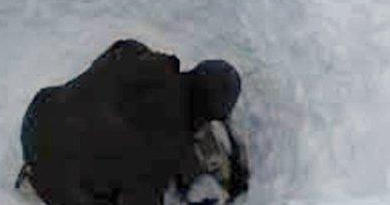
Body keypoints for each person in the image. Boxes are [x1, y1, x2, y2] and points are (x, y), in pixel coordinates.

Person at [17, 39, 249, 205]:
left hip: (39, 116)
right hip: (52, 176)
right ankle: (36, 182)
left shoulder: (139, 56)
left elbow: (119, 48)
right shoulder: (167, 144)